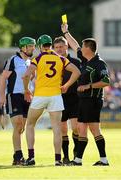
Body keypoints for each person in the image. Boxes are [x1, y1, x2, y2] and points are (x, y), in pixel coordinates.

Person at [22, 34, 81, 166]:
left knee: (30, 125)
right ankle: (58, 160)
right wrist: (66, 85)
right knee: (57, 129)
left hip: (40, 95)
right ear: (51, 45)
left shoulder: (37, 59)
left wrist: (26, 89)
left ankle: (31, 158)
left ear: (39, 46)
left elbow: (26, 75)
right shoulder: (60, 58)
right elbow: (77, 71)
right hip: (56, 96)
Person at [61, 24, 110, 166]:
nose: (80, 49)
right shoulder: (84, 59)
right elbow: (74, 44)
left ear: (88, 48)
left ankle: (102, 159)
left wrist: (88, 86)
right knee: (82, 129)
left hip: (93, 100)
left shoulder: (99, 64)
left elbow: (106, 81)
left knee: (94, 130)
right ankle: (79, 160)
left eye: (83, 47)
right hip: (83, 100)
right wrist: (66, 32)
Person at [0, 37, 36, 165]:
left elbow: (31, 80)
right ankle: (18, 156)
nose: (33, 48)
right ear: (23, 48)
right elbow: (3, 79)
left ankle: (17, 156)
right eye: (30, 46)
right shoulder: (13, 60)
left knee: (22, 128)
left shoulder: (31, 62)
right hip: (14, 96)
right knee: (18, 125)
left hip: (27, 97)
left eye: (33, 46)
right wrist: (2, 96)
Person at [53, 36, 80, 164]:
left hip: (75, 98)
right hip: (59, 98)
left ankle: (76, 152)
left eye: (61, 47)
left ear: (66, 47)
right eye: (56, 47)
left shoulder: (76, 62)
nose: (59, 49)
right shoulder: (52, 62)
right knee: (63, 129)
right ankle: (66, 157)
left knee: (75, 128)